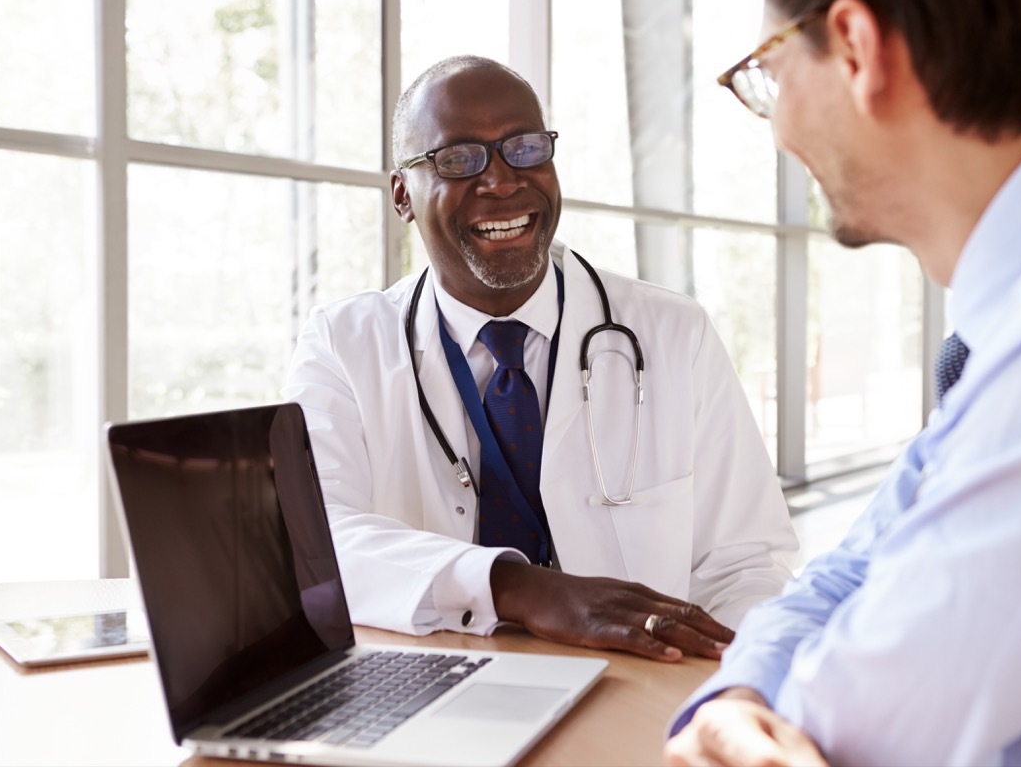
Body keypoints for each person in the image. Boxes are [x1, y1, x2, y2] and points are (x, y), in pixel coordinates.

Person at [665, 0, 1021, 765]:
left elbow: (852, 731)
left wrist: (759, 715)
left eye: (768, 77)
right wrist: (741, 696)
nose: (776, 130)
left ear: (856, 47)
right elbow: (849, 573)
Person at [283, 55, 799, 664]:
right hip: (434, 688)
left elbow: (746, 562)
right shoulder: (344, 345)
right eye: (458, 159)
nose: (502, 181)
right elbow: (317, 543)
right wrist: (521, 589)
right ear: (402, 194)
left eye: (525, 148)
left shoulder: (672, 333)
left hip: (635, 685)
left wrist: (733, 684)